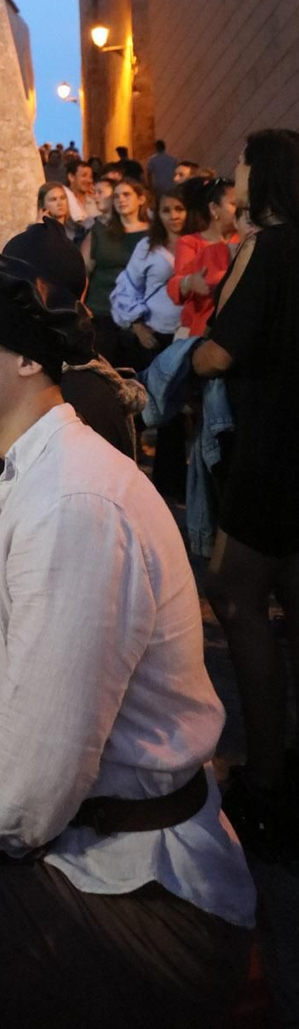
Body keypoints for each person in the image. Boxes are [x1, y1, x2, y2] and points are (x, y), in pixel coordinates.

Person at [0, 246, 254, 1029]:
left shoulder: (73, 507)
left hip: (142, 899)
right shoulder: (43, 469)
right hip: (85, 851)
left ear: (28, 357)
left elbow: (25, 805)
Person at [192, 129, 299, 859]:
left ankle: (265, 782)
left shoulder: (271, 248)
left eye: (239, 168)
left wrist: (192, 355)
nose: (231, 179)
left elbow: (219, 349)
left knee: (237, 601)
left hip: (271, 452)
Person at [108, 187, 186, 366]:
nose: (173, 216)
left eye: (179, 209)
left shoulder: (201, 244)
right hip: (155, 334)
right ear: (157, 214)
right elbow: (128, 286)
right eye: (166, 210)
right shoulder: (146, 246)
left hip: (191, 334)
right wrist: (138, 326)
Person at [169, 176, 238, 340]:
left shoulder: (245, 240)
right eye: (234, 204)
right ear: (214, 209)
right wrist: (189, 282)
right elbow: (176, 283)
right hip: (199, 331)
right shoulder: (190, 243)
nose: (243, 209)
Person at [3, 184, 86, 298]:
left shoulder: (78, 230)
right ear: (43, 205)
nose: (59, 203)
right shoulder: (33, 234)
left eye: (62, 198)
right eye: (53, 199)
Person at [83, 177, 149, 319]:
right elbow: (84, 270)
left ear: (141, 199)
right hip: (101, 307)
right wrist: (80, 303)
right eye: (116, 196)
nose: (121, 200)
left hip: (141, 310)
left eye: (126, 195)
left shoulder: (153, 234)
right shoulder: (99, 232)